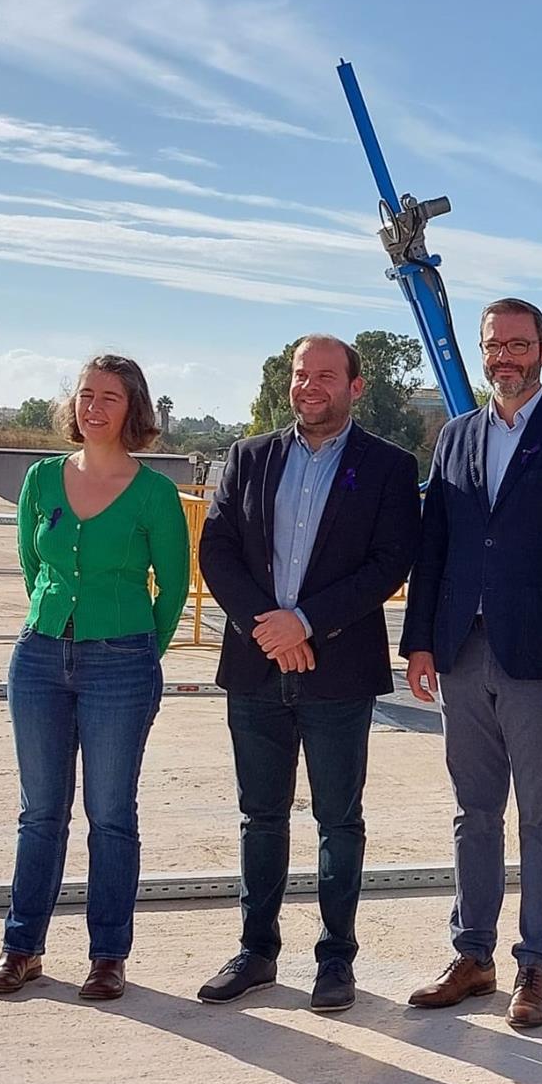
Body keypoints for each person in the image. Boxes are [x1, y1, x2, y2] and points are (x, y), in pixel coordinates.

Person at [402, 299, 542, 1029]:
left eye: (519, 345)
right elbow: (437, 545)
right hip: (462, 651)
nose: (505, 358)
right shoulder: (456, 436)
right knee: (474, 812)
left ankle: (536, 965)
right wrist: (420, 640)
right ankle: (474, 956)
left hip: (537, 660)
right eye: (495, 345)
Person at [194, 334, 421, 1014]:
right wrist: (270, 624)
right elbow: (218, 547)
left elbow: (389, 563)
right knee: (259, 816)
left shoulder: (388, 467)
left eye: (325, 375)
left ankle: (335, 960)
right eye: (300, 374)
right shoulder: (249, 456)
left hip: (338, 669)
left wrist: (308, 622)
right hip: (256, 664)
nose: (309, 385)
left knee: (338, 820)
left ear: (356, 386)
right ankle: (257, 951)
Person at [0, 355, 190, 1002]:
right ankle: (22, 949)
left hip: (120, 665)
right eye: (85, 394)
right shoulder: (41, 479)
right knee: (40, 812)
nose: (94, 406)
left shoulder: (154, 493)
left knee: (111, 814)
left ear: (134, 410)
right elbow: (28, 565)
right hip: (39, 659)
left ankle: (107, 957)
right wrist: (55, 624)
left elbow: (174, 588)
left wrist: (135, 651)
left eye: (110, 397)